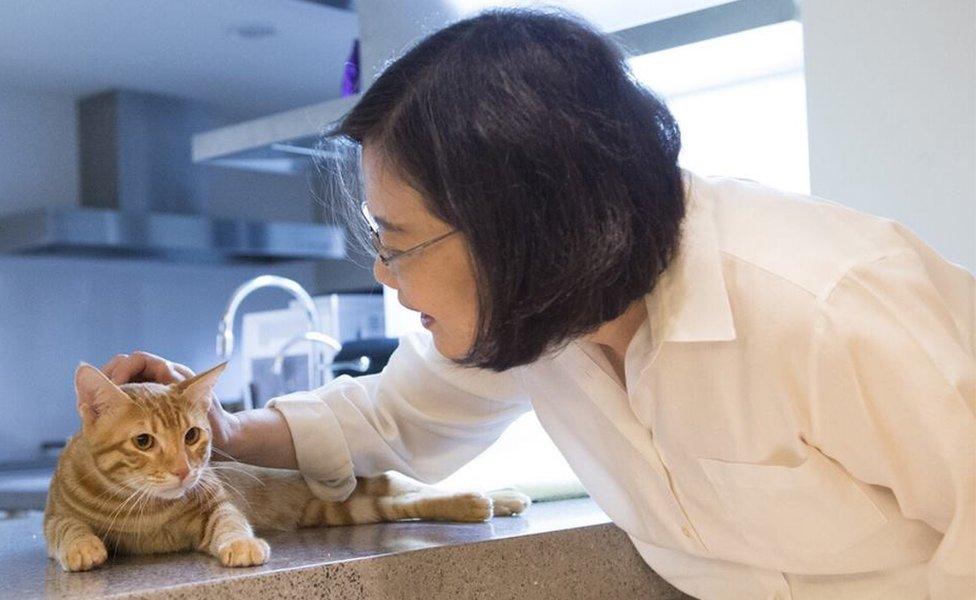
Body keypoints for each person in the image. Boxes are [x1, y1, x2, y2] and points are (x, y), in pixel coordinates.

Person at [101, 10, 974, 600]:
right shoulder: (541, 319)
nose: (384, 273)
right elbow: (390, 421)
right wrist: (214, 425)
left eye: (399, 238)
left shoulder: (829, 304)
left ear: (518, 222)